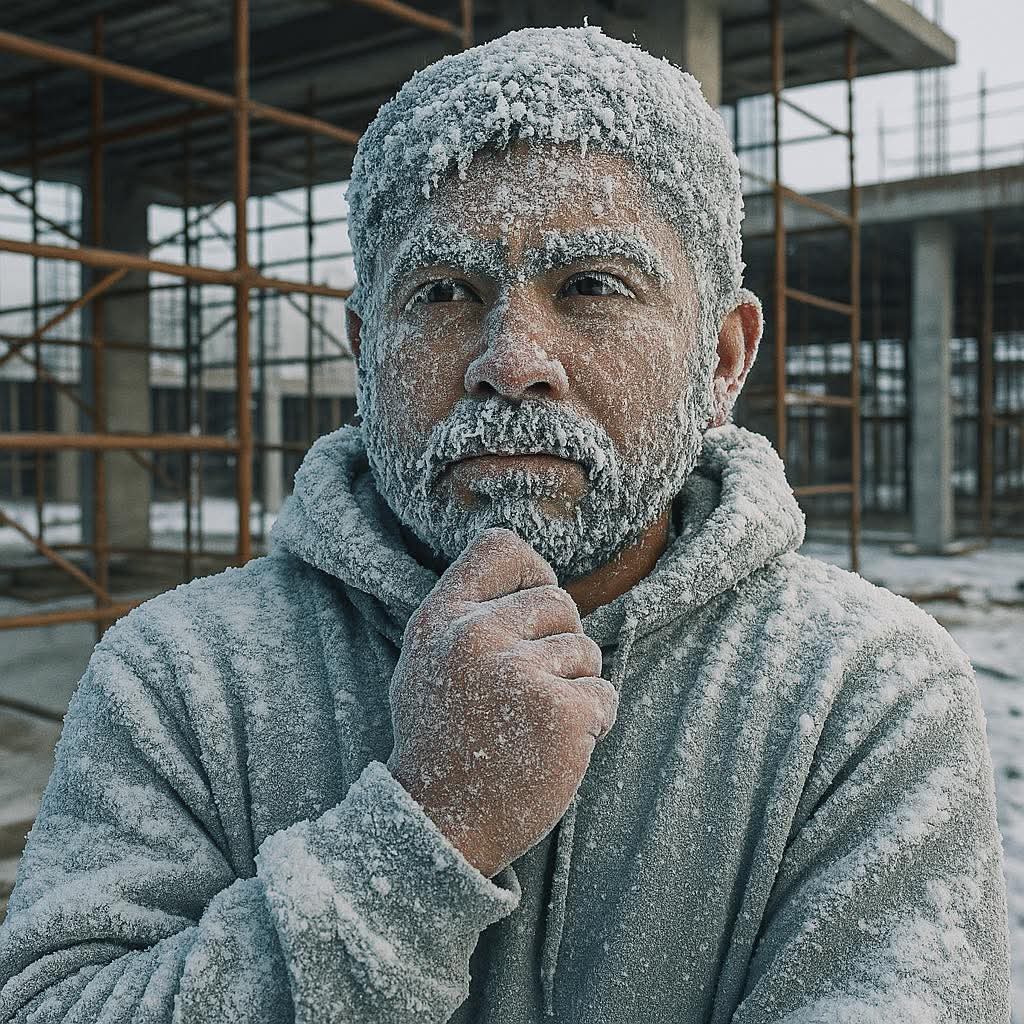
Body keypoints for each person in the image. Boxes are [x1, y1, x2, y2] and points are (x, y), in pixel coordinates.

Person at [0, 26, 1010, 1024]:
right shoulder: (178, 679)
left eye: (591, 287)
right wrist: (425, 831)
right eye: (442, 292)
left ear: (721, 356)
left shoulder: (862, 695)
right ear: (364, 350)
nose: (509, 357)